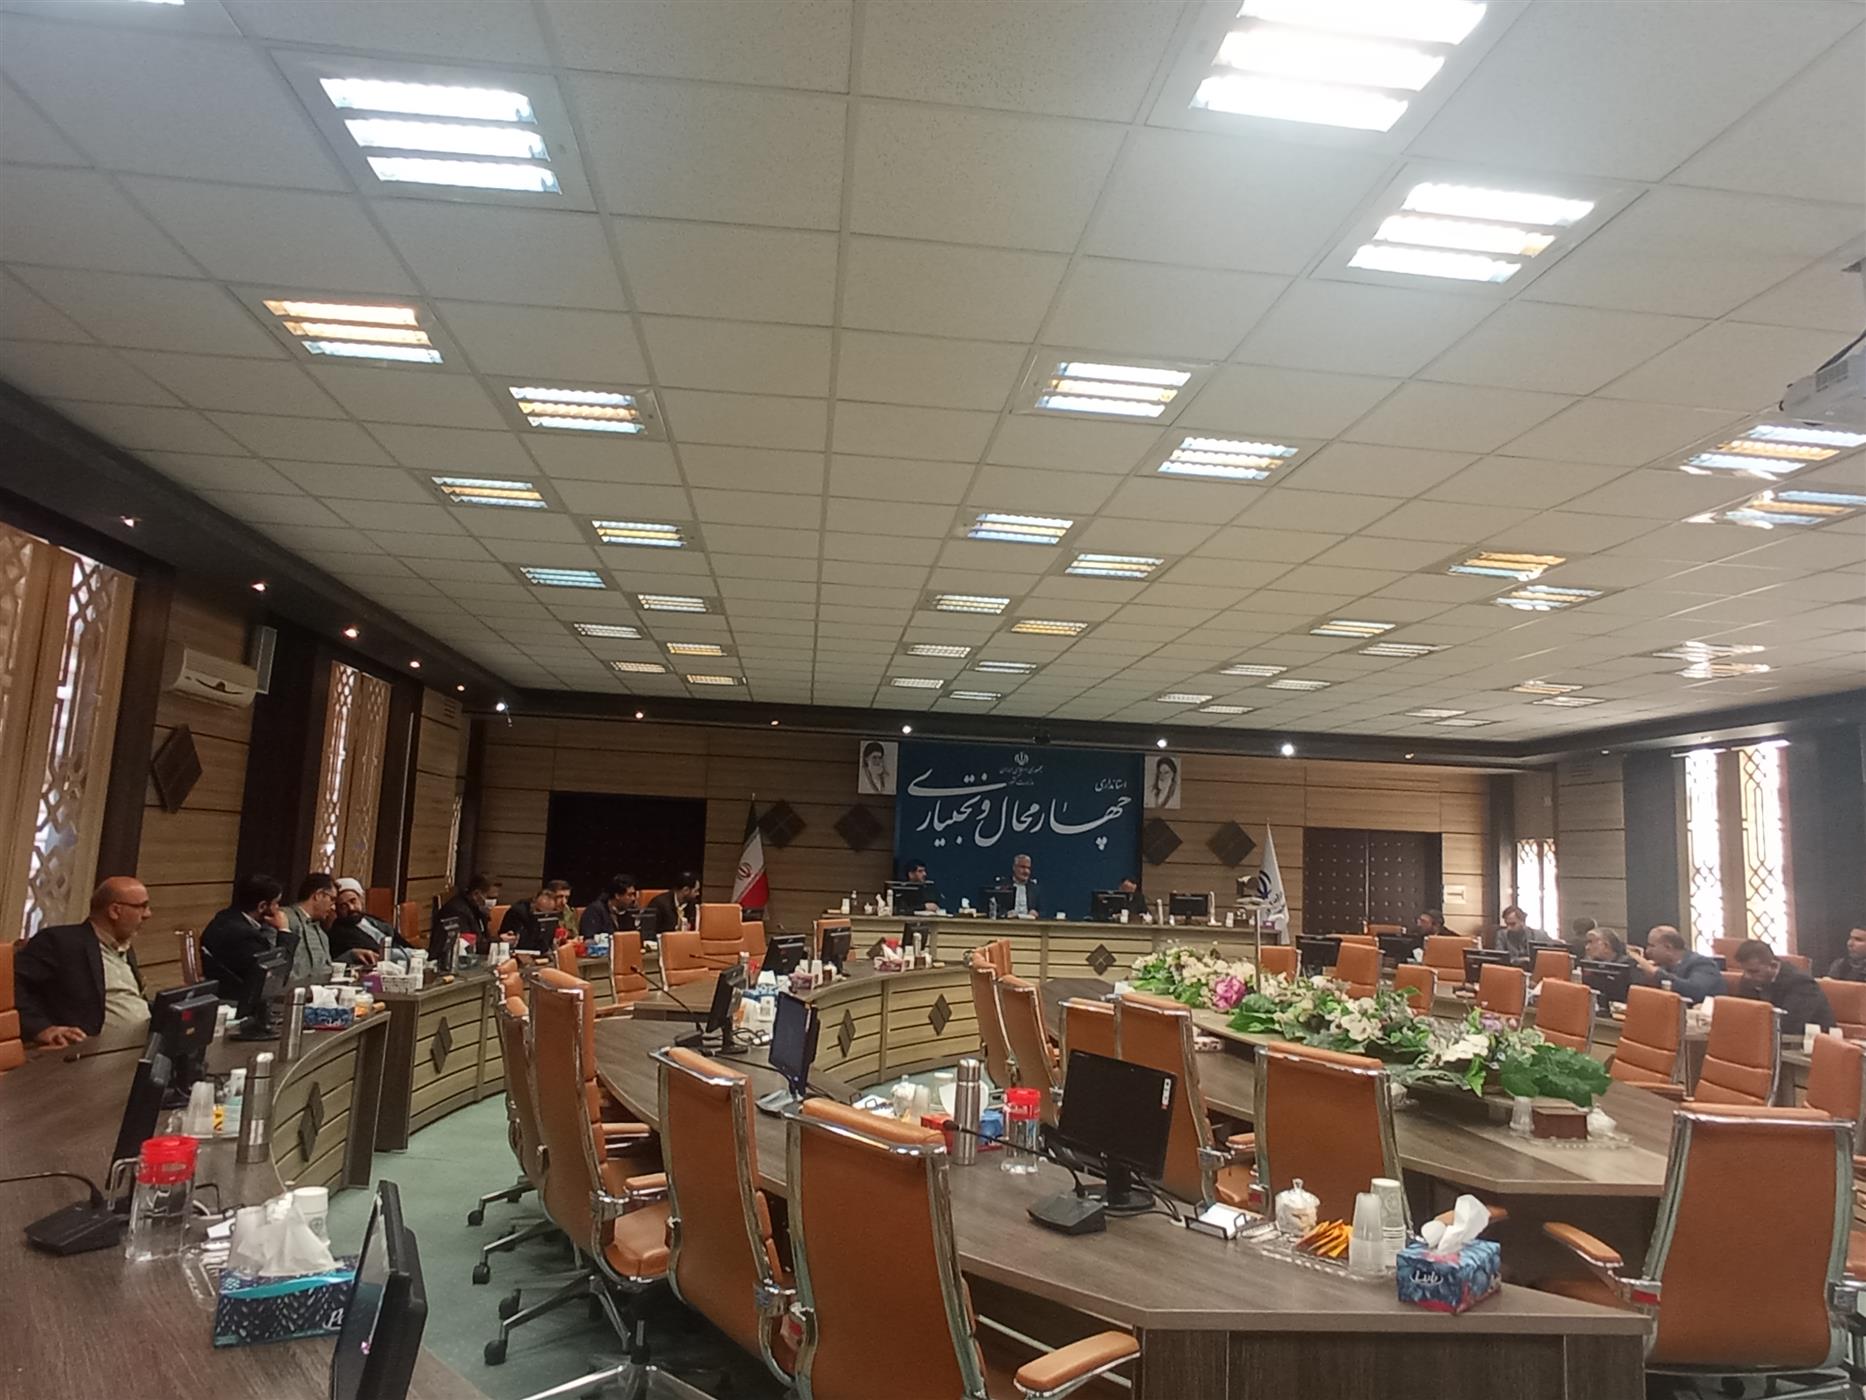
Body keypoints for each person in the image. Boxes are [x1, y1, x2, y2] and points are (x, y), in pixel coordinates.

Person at [14, 877, 154, 1048]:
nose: (148, 914)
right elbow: (9, 986)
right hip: (89, 1053)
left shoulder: (124, 947)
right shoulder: (60, 942)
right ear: (115, 911)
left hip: (141, 1046)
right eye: (142, 906)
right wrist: (41, 1028)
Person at [202, 874, 287, 1002]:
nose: (278, 909)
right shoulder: (244, 936)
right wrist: (284, 931)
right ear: (262, 906)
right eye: (276, 903)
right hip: (234, 1001)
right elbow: (275, 979)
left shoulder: (224, 918)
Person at [1732, 938, 1834, 1034]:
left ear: (1773, 965)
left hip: (1808, 1040)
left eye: (1754, 971)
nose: (1747, 976)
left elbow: (1789, 1025)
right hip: (1768, 1037)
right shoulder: (1749, 980)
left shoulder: (1801, 983)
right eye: (1744, 970)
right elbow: (1745, 1015)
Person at [1627, 926, 1723, 1005]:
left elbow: (1695, 991)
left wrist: (1655, 973)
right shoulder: (1665, 965)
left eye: (1652, 946)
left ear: (1668, 947)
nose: (1648, 951)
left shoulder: (1703, 964)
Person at [283, 873, 338, 983]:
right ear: (318, 895)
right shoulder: (284, 918)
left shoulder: (321, 932)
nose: (333, 907)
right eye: (332, 899)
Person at [326, 879, 394, 964]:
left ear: (361, 900)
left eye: (353, 901)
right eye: (343, 906)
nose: (351, 908)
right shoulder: (339, 933)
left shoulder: (371, 919)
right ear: (336, 909)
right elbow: (378, 954)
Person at [500, 881, 569, 955]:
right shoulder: (518, 912)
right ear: (534, 903)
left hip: (542, 953)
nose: (545, 916)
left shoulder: (554, 913)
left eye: (548, 913)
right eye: (540, 911)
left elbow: (546, 941)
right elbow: (509, 940)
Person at [439, 873, 500, 944]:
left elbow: (484, 938)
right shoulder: (456, 911)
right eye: (490, 897)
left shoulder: (477, 910)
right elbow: (467, 943)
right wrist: (499, 941)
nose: (493, 902)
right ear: (476, 894)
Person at [580, 875, 641, 939]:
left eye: (634, 894)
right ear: (617, 895)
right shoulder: (594, 911)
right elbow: (589, 939)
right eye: (629, 895)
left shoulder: (628, 912)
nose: (633, 898)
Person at [1008, 853, 1042, 919]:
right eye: (1023, 867)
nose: (1026, 871)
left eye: (1028, 868)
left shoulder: (1035, 888)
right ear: (1014, 867)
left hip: (1029, 923)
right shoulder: (1003, 886)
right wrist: (1005, 913)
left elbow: (1044, 912)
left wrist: (1036, 913)